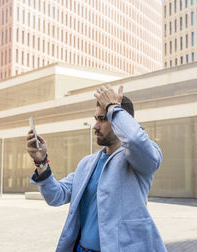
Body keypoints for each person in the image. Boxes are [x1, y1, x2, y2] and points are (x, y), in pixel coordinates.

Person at [27, 84, 167, 252]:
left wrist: (113, 107)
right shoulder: (88, 163)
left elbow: (135, 139)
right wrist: (41, 162)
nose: (95, 126)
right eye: (96, 118)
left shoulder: (140, 157)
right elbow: (56, 195)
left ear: (120, 119)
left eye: (103, 119)